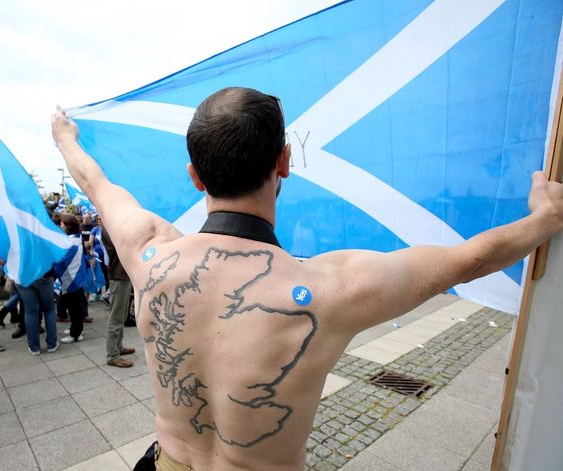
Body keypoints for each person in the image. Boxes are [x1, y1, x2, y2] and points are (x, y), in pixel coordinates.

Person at [52, 87, 563, 470]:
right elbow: (468, 261)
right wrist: (542, 220)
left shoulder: (150, 254)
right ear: (285, 161)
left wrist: (64, 137)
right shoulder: (331, 288)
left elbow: (94, 182)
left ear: (195, 176)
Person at [100, 229, 135, 368]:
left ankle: (118, 347)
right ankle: (112, 355)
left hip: (123, 275)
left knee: (121, 315)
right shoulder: (109, 228)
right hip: (118, 276)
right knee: (116, 316)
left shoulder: (111, 226)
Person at [54, 214, 88, 343]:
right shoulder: (75, 239)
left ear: (68, 226)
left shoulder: (70, 242)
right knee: (75, 307)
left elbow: (61, 262)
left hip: (72, 279)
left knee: (74, 308)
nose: (60, 225)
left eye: (62, 223)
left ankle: (75, 334)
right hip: (76, 278)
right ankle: (76, 328)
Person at [15, 271, 58, 355]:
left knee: (30, 311)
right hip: (42, 274)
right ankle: (52, 344)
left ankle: (34, 347)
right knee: (49, 309)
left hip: (21, 276)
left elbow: (3, 260)